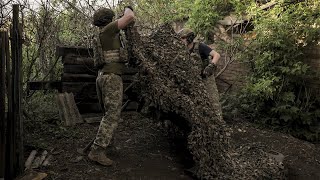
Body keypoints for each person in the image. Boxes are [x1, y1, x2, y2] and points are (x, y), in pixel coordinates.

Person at [88, 6, 135, 166]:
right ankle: (97, 151)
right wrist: (128, 8)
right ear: (109, 20)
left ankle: (107, 145)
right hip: (111, 78)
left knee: (108, 114)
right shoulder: (109, 30)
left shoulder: (101, 33)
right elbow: (130, 18)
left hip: (102, 77)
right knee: (112, 115)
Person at [178, 28, 223, 120]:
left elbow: (216, 55)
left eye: (183, 38)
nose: (181, 40)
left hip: (206, 79)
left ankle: (219, 124)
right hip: (194, 81)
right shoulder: (181, 50)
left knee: (213, 103)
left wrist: (211, 66)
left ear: (189, 38)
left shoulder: (200, 46)